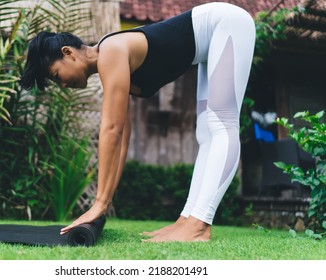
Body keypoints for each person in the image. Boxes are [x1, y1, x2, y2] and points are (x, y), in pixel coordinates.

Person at [20, 2, 256, 242]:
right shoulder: (110, 63)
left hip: (226, 24)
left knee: (221, 122)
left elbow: (111, 129)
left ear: (68, 53)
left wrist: (99, 203)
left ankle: (199, 224)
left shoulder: (110, 51)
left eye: (57, 76)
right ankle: (187, 220)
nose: (62, 85)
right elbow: (123, 136)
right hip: (210, 41)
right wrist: (105, 201)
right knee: (206, 132)